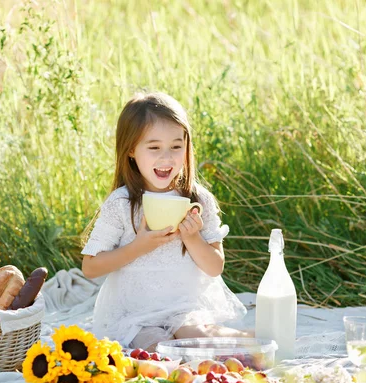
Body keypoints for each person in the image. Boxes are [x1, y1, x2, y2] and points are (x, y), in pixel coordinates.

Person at [81, 92, 248, 351]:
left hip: (184, 309)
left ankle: (258, 342)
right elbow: (90, 267)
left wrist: (192, 238)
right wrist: (139, 247)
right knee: (159, 351)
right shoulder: (122, 203)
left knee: (209, 341)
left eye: (176, 146)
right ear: (131, 151)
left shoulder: (197, 200)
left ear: (187, 147)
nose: (167, 157)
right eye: (154, 147)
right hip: (135, 315)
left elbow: (215, 267)